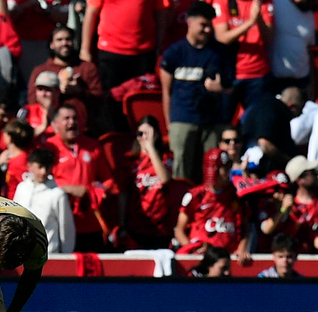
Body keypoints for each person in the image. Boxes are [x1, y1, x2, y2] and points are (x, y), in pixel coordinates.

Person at [159, 1, 231, 183]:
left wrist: (220, 89)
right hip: (182, 120)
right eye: (203, 25)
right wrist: (170, 123)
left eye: (209, 25)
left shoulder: (220, 53)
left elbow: (232, 89)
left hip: (211, 123)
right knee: (180, 170)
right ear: (190, 22)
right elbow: (166, 91)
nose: (207, 30)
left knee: (212, 172)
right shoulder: (174, 53)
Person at [40, 103, 116, 252]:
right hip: (60, 221)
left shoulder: (93, 146)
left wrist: (97, 192)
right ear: (55, 124)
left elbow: (108, 180)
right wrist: (67, 188)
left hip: (90, 222)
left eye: (75, 118)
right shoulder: (48, 148)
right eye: (66, 118)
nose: (71, 122)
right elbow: (40, 180)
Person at [211, 0, 273, 123]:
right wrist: (249, 23)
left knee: (256, 123)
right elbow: (223, 38)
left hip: (258, 75)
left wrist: (258, 18)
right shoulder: (222, 1)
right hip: (231, 74)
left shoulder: (264, 4)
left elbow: (269, 39)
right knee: (223, 123)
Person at [259, 155, 318, 261]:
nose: (316, 175)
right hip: (306, 263)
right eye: (312, 173)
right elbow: (312, 237)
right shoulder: (291, 209)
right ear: (299, 179)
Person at [175, 151, 251, 259]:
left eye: (228, 168)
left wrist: (242, 248)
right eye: (224, 169)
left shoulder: (236, 194)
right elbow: (179, 231)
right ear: (213, 170)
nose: (228, 172)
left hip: (229, 258)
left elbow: (246, 228)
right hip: (202, 258)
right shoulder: (195, 195)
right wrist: (192, 250)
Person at [26, 26, 102, 122]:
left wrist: (79, 91)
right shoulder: (40, 71)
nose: (64, 43)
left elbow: (99, 101)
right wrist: (55, 90)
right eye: (59, 40)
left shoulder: (87, 68)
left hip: (82, 127)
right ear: (51, 44)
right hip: (49, 125)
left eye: (68, 39)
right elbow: (32, 101)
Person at [124, 116, 176, 249]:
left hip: (161, 226)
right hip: (137, 225)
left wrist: (151, 149)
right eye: (140, 134)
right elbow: (123, 193)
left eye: (148, 134)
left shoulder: (166, 156)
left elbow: (165, 179)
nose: (144, 138)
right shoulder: (130, 161)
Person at [12, 145, 73, 253]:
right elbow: (15, 219)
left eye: (47, 167)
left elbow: (66, 227)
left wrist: (66, 255)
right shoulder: (21, 188)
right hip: (23, 253)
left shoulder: (57, 194)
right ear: (29, 166)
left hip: (49, 254)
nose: (43, 172)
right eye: (40, 167)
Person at [269, 0, 317, 93]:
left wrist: (311, 82)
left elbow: (309, 50)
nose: (316, 2)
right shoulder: (273, 2)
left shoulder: (310, 15)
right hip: (275, 81)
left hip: (301, 81)